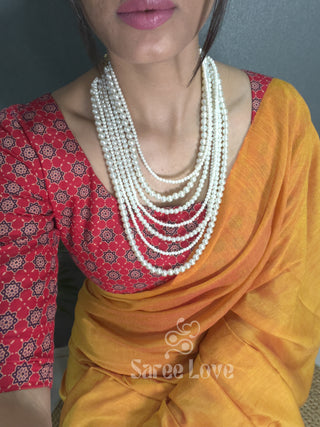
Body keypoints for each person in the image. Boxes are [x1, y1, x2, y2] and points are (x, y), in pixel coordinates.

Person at [0, 0, 319, 426]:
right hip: (114, 384)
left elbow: (284, 306)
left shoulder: (282, 120)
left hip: (248, 383)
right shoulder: (30, 147)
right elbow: (18, 378)